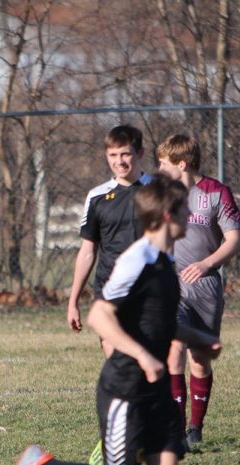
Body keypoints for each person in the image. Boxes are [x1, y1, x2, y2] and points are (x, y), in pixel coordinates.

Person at [0, 174, 222, 465]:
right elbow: (101, 315)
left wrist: (200, 337)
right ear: (170, 214)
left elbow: (158, 322)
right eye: (185, 207)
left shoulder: (166, 259)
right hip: (125, 390)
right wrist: (141, 355)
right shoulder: (137, 260)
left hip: (154, 392)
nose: (191, 213)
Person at [156, 134, 240, 448]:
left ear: (182, 164)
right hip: (171, 284)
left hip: (205, 286)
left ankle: (195, 426)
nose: (159, 169)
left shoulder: (217, 192)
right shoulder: (162, 194)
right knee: (174, 351)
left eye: (163, 163)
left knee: (200, 360)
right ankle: (177, 433)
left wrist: (207, 264)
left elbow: (234, 240)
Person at [67, 124, 151, 358]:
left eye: (125, 154)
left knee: (149, 365)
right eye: (113, 155)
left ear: (140, 153)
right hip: (109, 288)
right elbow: (87, 250)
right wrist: (73, 301)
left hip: (149, 288)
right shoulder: (97, 196)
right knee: (118, 364)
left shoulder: (158, 191)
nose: (119, 161)